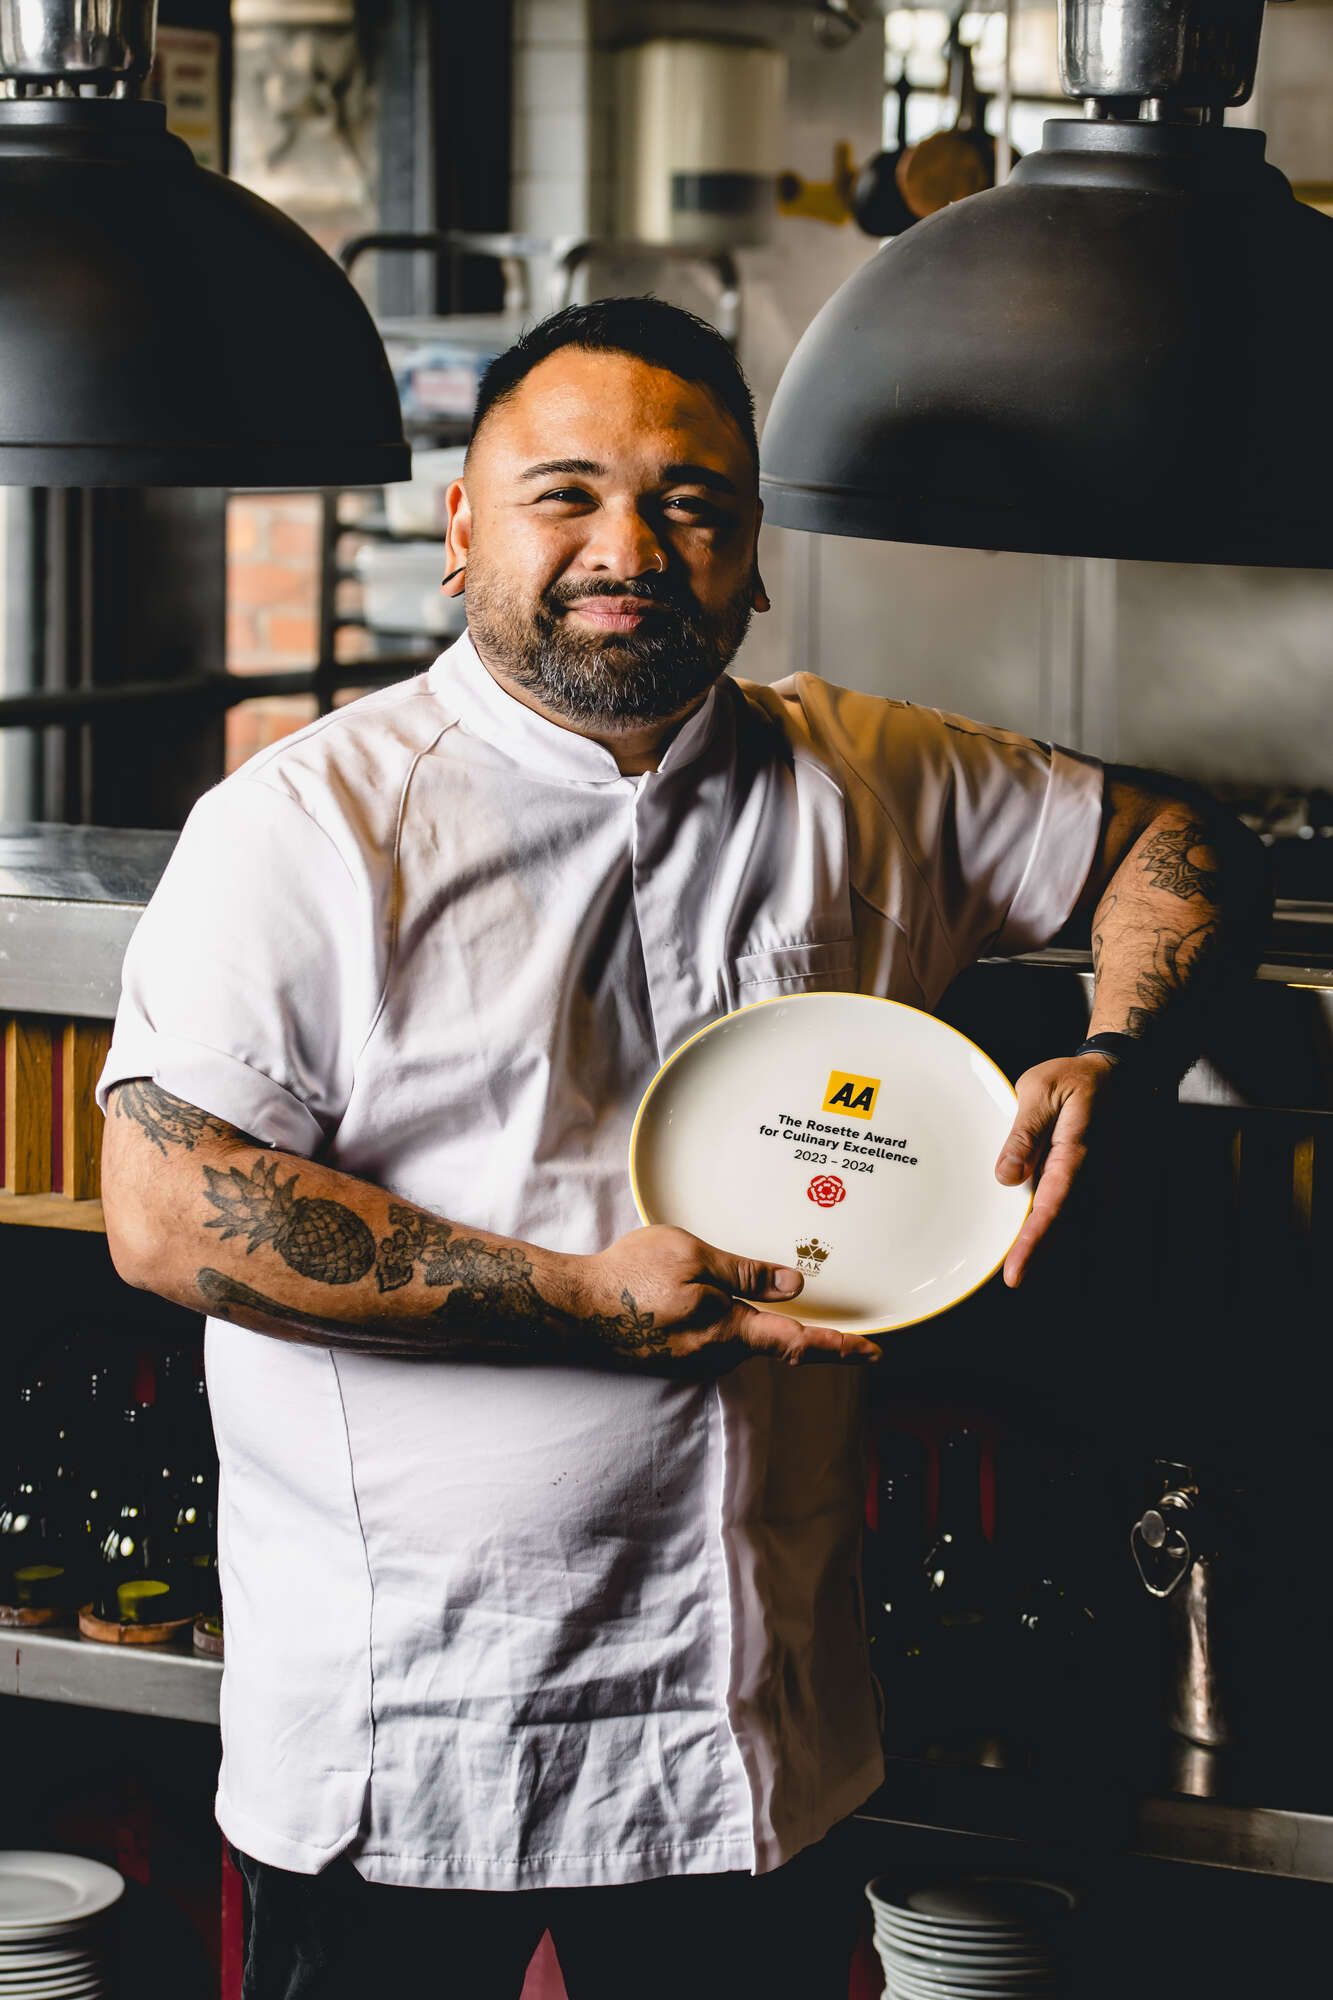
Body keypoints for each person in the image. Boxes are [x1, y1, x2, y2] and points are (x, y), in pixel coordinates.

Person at [97, 298, 1265, 1999]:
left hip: (753, 1729)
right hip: (412, 1730)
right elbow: (165, 1212)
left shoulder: (868, 775)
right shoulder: (305, 826)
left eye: (693, 502)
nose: (627, 546)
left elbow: (1172, 837)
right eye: (563, 494)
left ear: (755, 555)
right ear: (460, 534)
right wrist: (576, 1300)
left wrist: (1116, 1047)